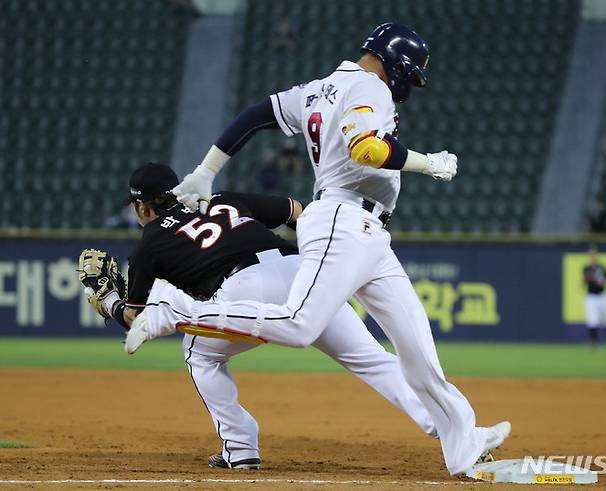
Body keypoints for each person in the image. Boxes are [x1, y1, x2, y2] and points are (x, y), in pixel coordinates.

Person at [146, 23, 511, 475]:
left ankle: (464, 445)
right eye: (410, 74)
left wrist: (207, 170)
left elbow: (255, 115)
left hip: (369, 232)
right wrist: (428, 162)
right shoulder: (369, 86)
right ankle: (173, 311)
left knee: (416, 345)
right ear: (393, 63)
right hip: (342, 220)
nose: (408, 84)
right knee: (300, 325)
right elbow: (366, 150)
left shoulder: (318, 89)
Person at [87, 163, 439, 470]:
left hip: (244, 288)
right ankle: (445, 421)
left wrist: (111, 304)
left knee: (199, 353)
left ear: (140, 205)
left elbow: (135, 318)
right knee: (369, 357)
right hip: (301, 271)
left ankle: (240, 448)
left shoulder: (150, 240)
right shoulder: (221, 198)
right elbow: (298, 211)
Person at [583, 246, 606, 345]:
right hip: (591, 297)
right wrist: (591, 279)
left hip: (602, 295)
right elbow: (585, 281)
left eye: (594, 254)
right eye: (591, 254)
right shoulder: (587, 268)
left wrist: (602, 281)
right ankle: (594, 342)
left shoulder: (602, 267)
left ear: (597, 255)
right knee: (592, 319)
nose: (592, 256)